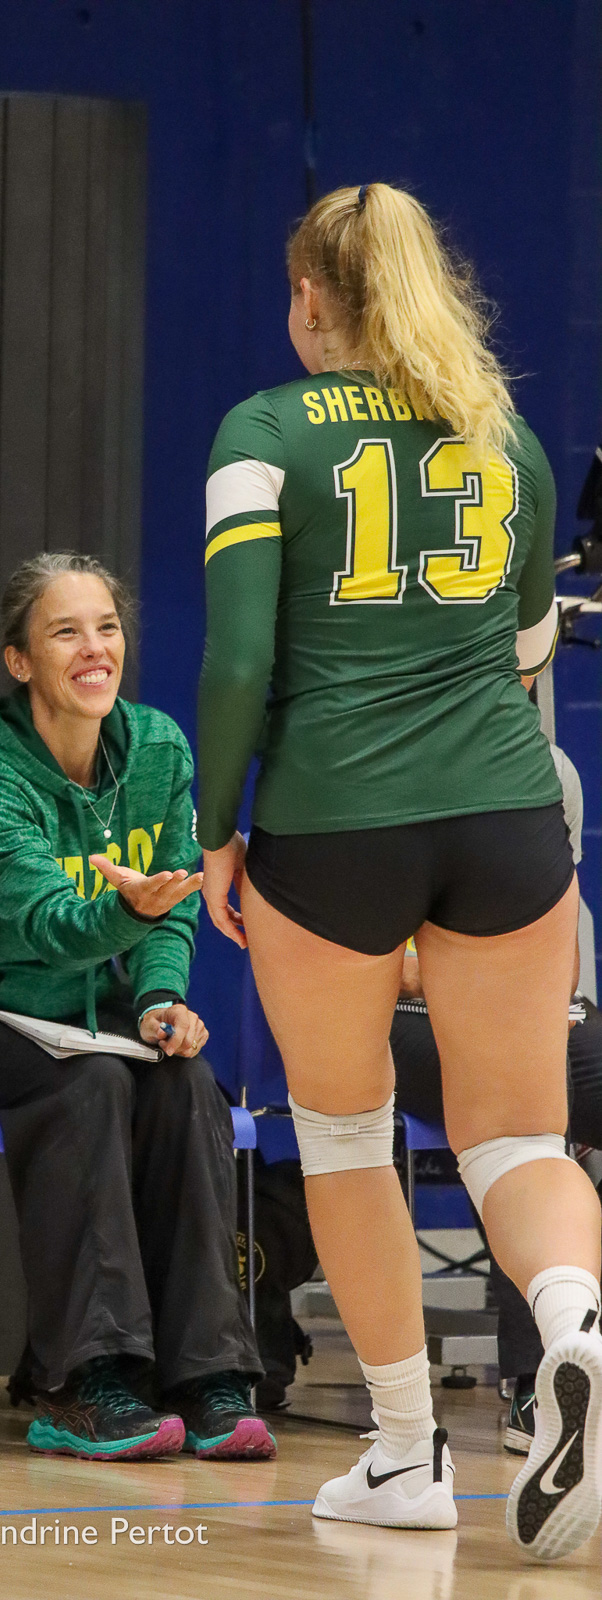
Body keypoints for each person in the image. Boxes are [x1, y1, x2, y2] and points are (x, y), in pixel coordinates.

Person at [196, 183, 602, 1559]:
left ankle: (402, 1454)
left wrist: (212, 826)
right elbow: (527, 655)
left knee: (344, 1134)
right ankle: (572, 1321)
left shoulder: (260, 434)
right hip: (506, 818)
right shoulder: (508, 438)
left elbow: (240, 661)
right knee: (518, 1140)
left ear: (312, 297)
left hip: (335, 825)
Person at [0, 551, 273, 1463]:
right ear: (20, 662)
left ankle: (206, 1376)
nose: (95, 648)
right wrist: (128, 913)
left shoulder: (159, 748)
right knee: (87, 1083)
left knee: (185, 1081)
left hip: (82, 1016)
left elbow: (174, 903)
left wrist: (161, 994)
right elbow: (49, 925)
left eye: (107, 627)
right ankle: (84, 1383)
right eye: (66, 632)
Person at [393, 743, 602, 1454]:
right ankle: (535, 1382)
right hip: (399, 1014)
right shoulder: (381, 754)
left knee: (548, 1061)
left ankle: (580, 1343)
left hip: (527, 1004)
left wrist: (533, 993)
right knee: (529, 1087)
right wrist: (470, 979)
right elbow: (360, 959)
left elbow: (559, 935)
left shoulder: (549, 769)